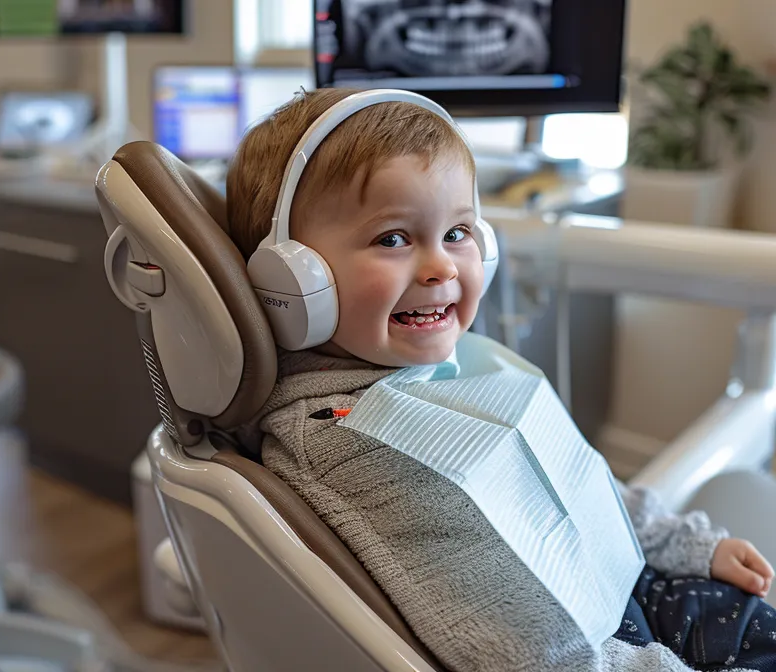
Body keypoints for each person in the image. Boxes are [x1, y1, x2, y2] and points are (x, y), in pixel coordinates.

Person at [227, 87, 776, 671]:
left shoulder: (430, 368)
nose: (441, 266)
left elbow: (569, 479)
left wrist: (672, 539)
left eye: (458, 233)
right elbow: (528, 650)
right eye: (393, 239)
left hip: (625, 583)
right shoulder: (346, 444)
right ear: (292, 281)